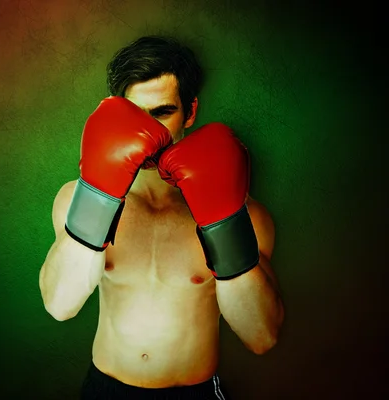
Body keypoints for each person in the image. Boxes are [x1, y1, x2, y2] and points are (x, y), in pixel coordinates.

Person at [39, 35, 285, 400]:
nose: (150, 134)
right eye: (135, 114)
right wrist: (98, 196)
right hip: (106, 388)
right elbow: (60, 305)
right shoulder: (77, 198)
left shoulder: (243, 214)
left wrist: (224, 223)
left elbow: (261, 336)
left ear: (191, 110)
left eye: (162, 113)